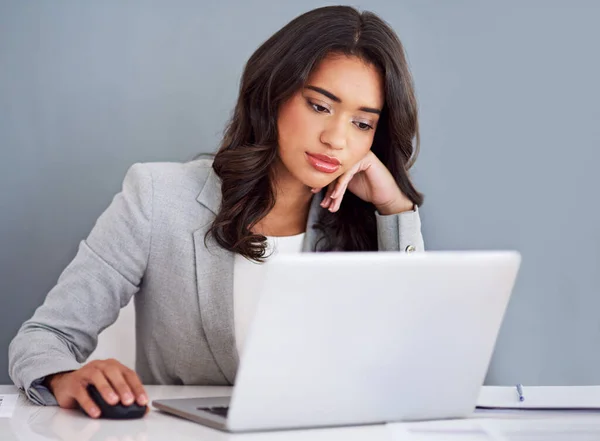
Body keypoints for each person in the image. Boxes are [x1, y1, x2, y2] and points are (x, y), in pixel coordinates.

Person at [8, 5, 425, 419]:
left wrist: (395, 210)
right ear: (274, 93)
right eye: (319, 106)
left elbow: (417, 359)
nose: (336, 138)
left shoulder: (366, 221)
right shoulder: (158, 196)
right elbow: (44, 337)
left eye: (362, 123)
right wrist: (65, 376)